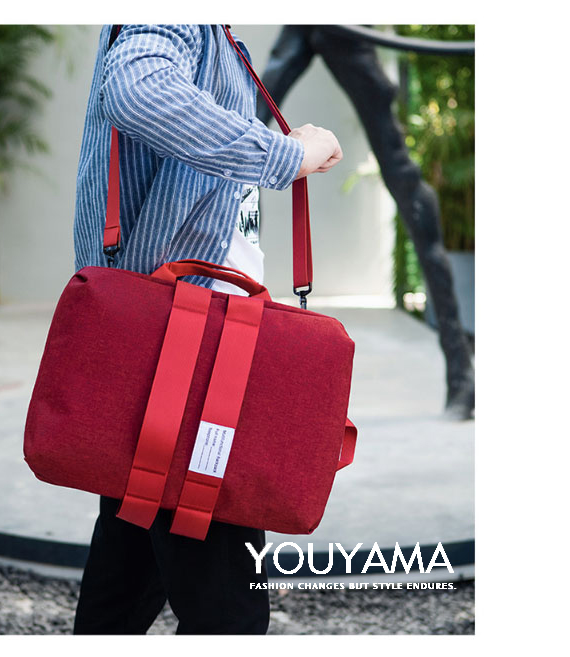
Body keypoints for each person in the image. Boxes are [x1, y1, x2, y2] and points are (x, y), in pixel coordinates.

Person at [71, 24, 342, 635]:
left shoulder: (217, 34)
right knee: (229, 608)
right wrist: (285, 157)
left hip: (180, 344)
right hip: (189, 358)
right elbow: (138, 89)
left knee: (126, 572)